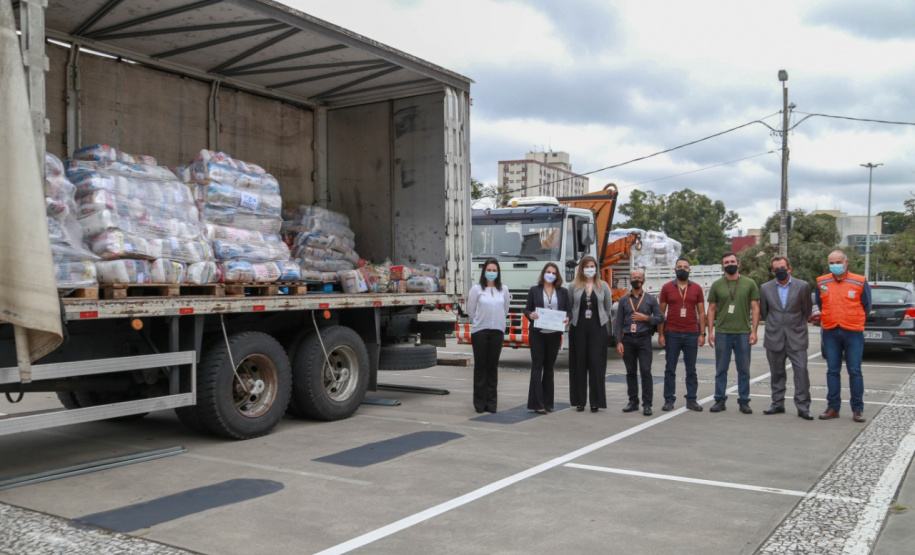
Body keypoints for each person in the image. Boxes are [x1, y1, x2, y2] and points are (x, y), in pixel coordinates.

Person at [816, 250, 871, 423]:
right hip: (831, 331)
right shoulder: (821, 281)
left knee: (854, 371)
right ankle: (833, 408)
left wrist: (854, 319)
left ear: (846, 262)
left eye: (838, 262)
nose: (835, 265)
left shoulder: (860, 281)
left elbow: (867, 305)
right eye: (831, 263)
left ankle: (857, 409)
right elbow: (820, 303)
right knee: (832, 371)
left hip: (853, 331)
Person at [759, 256, 814, 420]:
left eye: (783, 267)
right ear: (772, 271)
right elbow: (764, 311)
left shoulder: (802, 286)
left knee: (801, 372)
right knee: (776, 373)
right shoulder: (765, 288)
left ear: (789, 268)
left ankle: (803, 407)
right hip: (774, 336)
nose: (780, 271)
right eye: (776, 269)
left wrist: (795, 324)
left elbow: (807, 311)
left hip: (796, 335)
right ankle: (777, 404)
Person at [707, 252, 760, 414]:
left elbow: (755, 307)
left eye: (732, 261)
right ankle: (719, 400)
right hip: (722, 332)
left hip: (743, 332)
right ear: (722, 266)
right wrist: (710, 331)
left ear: (738, 264)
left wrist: (754, 331)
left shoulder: (749, 283)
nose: (729, 264)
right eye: (726, 262)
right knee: (720, 369)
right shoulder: (717, 285)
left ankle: (744, 401)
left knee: (744, 370)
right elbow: (711, 309)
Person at [613, 269, 664, 416]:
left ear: (644, 280)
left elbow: (660, 318)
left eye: (639, 277)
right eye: (634, 277)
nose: (636, 279)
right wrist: (619, 342)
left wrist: (646, 318)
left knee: (646, 371)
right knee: (630, 372)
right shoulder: (623, 300)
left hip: (644, 339)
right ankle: (633, 402)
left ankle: (647, 404)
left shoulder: (650, 299)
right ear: (630, 280)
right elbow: (618, 323)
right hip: (628, 339)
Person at [658, 258, 707, 412]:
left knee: (691, 369)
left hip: (692, 333)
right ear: (675, 269)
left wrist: (702, 333)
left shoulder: (697, 288)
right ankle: (669, 399)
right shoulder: (666, 288)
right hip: (672, 333)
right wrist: (661, 334)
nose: (683, 269)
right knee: (670, 368)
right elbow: (661, 313)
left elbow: (701, 312)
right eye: (679, 267)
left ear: (690, 270)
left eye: (685, 267)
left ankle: (691, 399)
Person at [567, 255, 613, 412]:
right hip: (578, 328)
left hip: (597, 329)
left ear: (596, 268)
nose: (589, 269)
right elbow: (570, 306)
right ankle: (579, 401)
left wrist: (602, 321)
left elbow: (607, 308)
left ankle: (596, 401)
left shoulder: (603, 286)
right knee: (578, 364)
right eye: (586, 266)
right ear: (581, 268)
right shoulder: (573, 286)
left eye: (592, 266)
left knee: (596, 364)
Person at [524, 263, 571, 414]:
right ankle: (537, 403)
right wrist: (530, 314)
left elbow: (568, 310)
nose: (550, 274)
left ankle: (548, 403)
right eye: (548, 271)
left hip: (554, 334)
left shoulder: (562, 292)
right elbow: (527, 309)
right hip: (537, 333)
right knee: (537, 366)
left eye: (553, 272)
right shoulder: (534, 290)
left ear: (557, 276)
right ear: (543, 273)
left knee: (549, 368)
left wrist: (568, 318)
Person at [466, 258, 511, 413]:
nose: (491, 273)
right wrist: (479, 321)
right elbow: (471, 310)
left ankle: (491, 403)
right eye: (489, 270)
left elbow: (505, 309)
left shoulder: (503, 289)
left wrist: (497, 322)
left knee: (492, 367)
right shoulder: (476, 289)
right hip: (480, 331)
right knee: (481, 366)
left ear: (498, 273)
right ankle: (479, 404)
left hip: (497, 331)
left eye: (494, 270)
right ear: (484, 271)